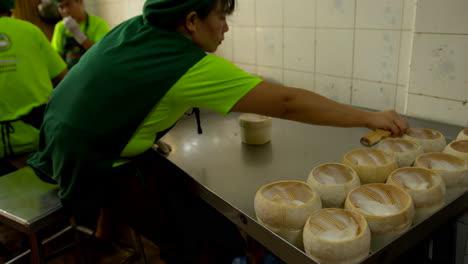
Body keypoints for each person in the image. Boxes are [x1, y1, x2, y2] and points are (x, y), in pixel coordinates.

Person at [27, 0, 409, 263]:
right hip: (94, 160)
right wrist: (367, 116)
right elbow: (287, 103)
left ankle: (116, 238)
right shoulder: (185, 64)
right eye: (221, 16)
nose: (225, 27)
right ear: (192, 20)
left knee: (194, 212)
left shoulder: (136, 30)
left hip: (59, 132)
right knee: (199, 241)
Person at [0, 0, 67, 176]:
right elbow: (63, 79)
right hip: (37, 139)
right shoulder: (30, 31)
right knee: (46, 198)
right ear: (10, 8)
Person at [51, 0, 109, 69]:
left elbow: (101, 54)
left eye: (68, 4)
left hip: (93, 71)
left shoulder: (98, 24)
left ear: (80, 2)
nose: (66, 11)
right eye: (61, 7)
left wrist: (78, 35)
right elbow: (56, 57)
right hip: (70, 74)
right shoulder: (60, 27)